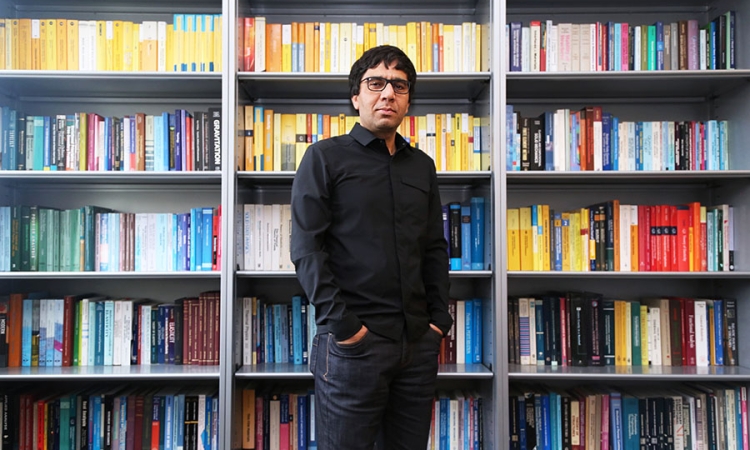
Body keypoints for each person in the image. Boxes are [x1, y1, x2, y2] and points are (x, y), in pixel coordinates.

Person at [291, 45, 453, 450]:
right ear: (356, 97)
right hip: (352, 348)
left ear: (408, 100)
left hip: (416, 345)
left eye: (399, 85)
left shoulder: (423, 166)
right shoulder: (324, 158)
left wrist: (438, 322)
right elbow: (307, 249)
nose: (388, 93)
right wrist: (345, 329)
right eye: (376, 82)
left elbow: (434, 247)